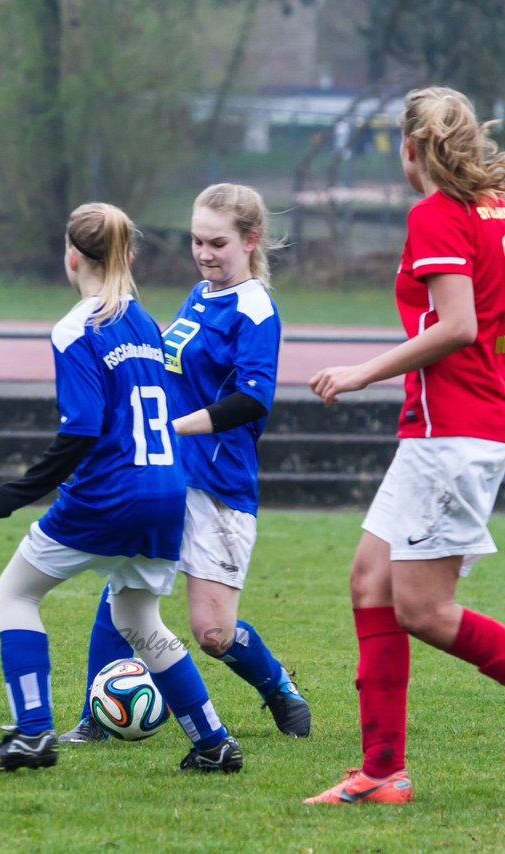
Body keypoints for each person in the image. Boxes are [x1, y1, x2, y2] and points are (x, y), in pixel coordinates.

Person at [0, 202, 242, 772]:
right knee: (139, 620)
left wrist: (21, 490)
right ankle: (213, 742)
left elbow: (81, 427)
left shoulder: (78, 327)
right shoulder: (143, 321)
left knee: (15, 594)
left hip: (111, 493)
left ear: (71, 255)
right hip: (167, 493)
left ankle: (33, 734)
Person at [304, 86, 505, 805]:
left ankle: (384, 769)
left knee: (423, 610)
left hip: (452, 435)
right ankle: (382, 770)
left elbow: (457, 326)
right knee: (370, 583)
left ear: (410, 147)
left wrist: (362, 371)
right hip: (444, 433)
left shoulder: (437, 215)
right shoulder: (493, 210)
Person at [59, 184, 311, 746]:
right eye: (197, 241)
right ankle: (93, 720)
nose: (204, 253)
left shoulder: (255, 309)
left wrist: (174, 426)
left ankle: (277, 687)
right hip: (164, 474)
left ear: (251, 240)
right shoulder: (199, 295)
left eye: (217, 243)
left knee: (213, 632)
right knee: (124, 588)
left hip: (219, 483)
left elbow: (251, 400)